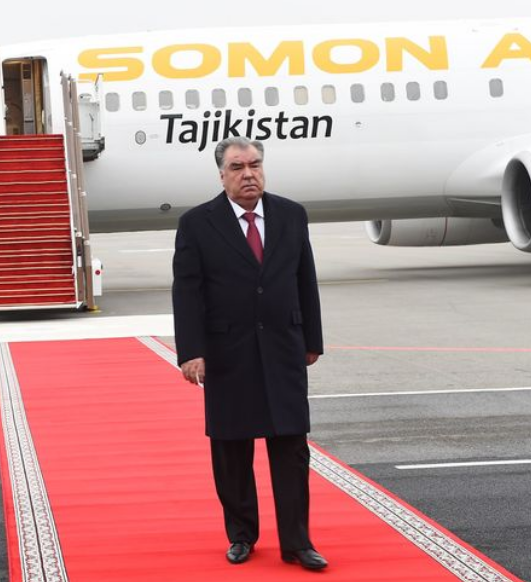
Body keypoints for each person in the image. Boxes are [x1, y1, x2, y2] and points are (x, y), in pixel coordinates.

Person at [172, 137, 327, 570]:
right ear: (221, 175)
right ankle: (242, 535)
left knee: (291, 448)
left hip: (283, 349)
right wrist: (191, 351)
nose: (248, 174)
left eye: (255, 165)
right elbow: (187, 292)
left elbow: (305, 278)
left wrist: (312, 340)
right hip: (227, 353)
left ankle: (297, 542)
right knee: (232, 450)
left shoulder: (291, 215)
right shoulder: (197, 223)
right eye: (238, 167)